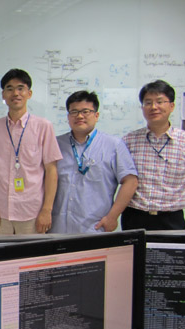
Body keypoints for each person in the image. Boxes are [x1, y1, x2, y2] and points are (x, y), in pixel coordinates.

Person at [0, 68, 62, 235]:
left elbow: (51, 171)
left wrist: (46, 210)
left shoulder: (43, 127)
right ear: (3, 95)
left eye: (20, 88)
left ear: (29, 93)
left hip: (32, 212)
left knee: (30, 260)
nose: (15, 93)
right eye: (9, 88)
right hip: (0, 212)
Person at [50, 90, 138, 233]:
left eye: (86, 111)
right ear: (68, 116)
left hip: (94, 229)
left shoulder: (113, 145)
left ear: (96, 115)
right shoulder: (55, 144)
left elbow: (131, 181)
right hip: (57, 229)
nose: (79, 116)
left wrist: (113, 217)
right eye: (74, 112)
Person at [122, 80, 185, 230]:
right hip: (134, 217)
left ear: (171, 106)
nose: (154, 107)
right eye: (148, 102)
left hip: (171, 218)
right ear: (142, 107)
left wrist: (171, 200)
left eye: (160, 101)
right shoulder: (129, 140)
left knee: (170, 254)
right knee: (134, 254)